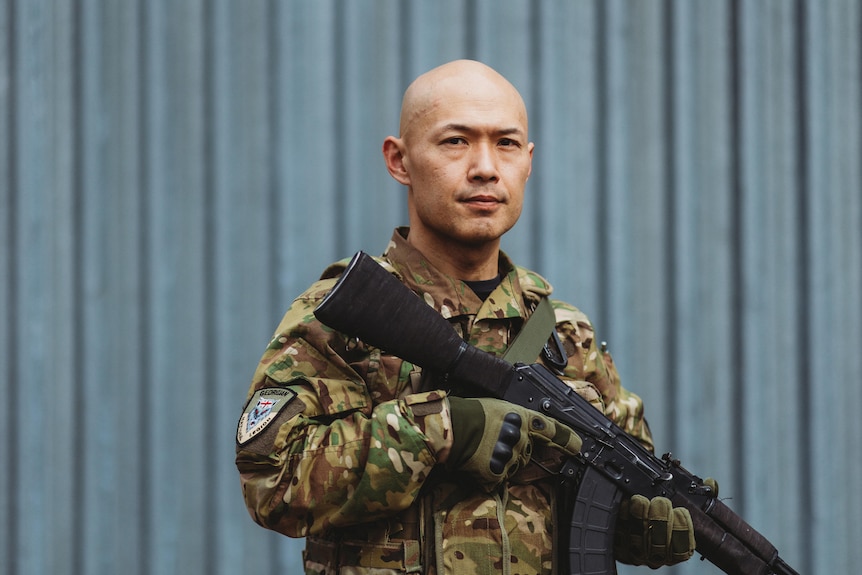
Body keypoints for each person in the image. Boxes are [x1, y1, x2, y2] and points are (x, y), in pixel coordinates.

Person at [236, 59, 697, 575]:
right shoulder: (344, 319)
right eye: (456, 141)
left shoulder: (564, 333)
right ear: (399, 160)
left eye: (505, 143)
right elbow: (271, 481)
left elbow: (614, 497)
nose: (484, 167)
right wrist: (439, 428)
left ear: (528, 161)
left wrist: (645, 528)